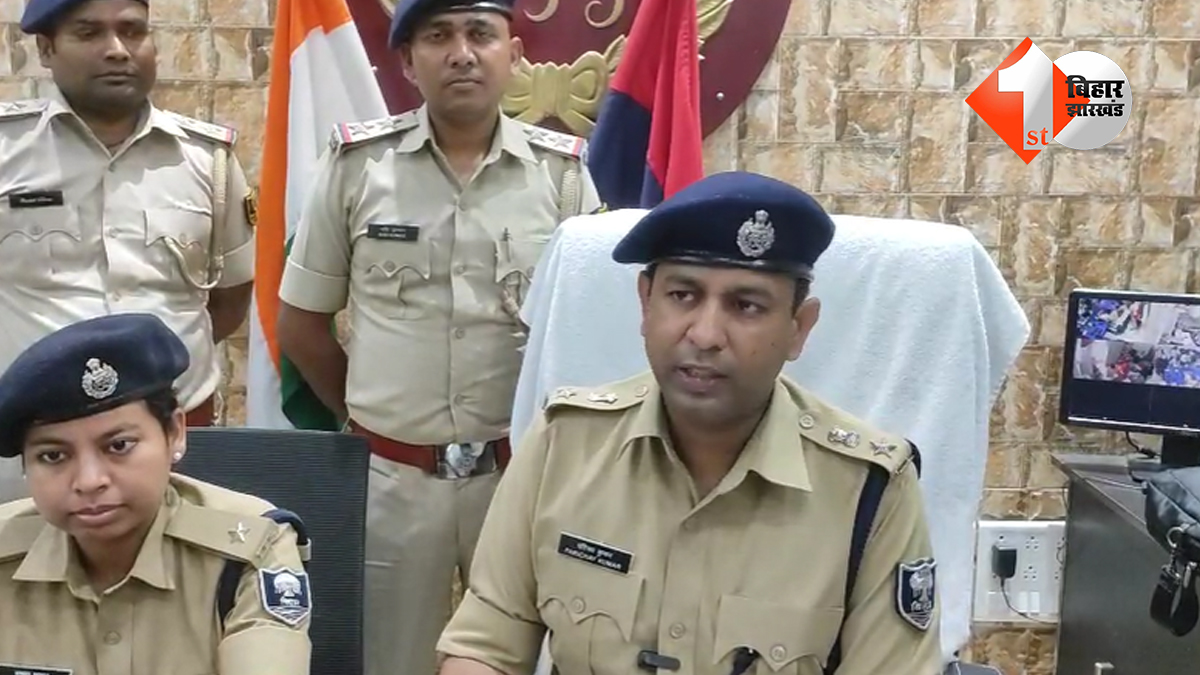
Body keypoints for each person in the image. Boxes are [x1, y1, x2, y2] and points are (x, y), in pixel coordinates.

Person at [435, 171, 943, 675]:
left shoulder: (868, 489)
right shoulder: (565, 442)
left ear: (798, 328)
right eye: (683, 296)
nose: (705, 334)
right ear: (645, 303)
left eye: (746, 306)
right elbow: (486, 646)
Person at [274, 0, 600, 672]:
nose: (462, 53)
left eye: (481, 34)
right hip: (394, 482)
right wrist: (370, 417)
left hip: (517, 478)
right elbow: (301, 324)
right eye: (439, 36)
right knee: (388, 660)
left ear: (514, 54)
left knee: (524, 657)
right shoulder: (359, 165)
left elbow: (589, 330)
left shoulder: (562, 175)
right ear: (407, 60)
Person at [0, 0, 258, 502]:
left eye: (133, 31)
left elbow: (229, 298)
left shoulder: (208, 160)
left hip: (174, 442)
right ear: (46, 49)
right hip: (37, 444)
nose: (117, 50)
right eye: (89, 33)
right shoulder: (7, 150)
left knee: (185, 554)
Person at [0, 312, 311, 675]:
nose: (89, 480)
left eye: (118, 446)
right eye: (53, 456)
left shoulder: (251, 548)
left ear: (175, 433)